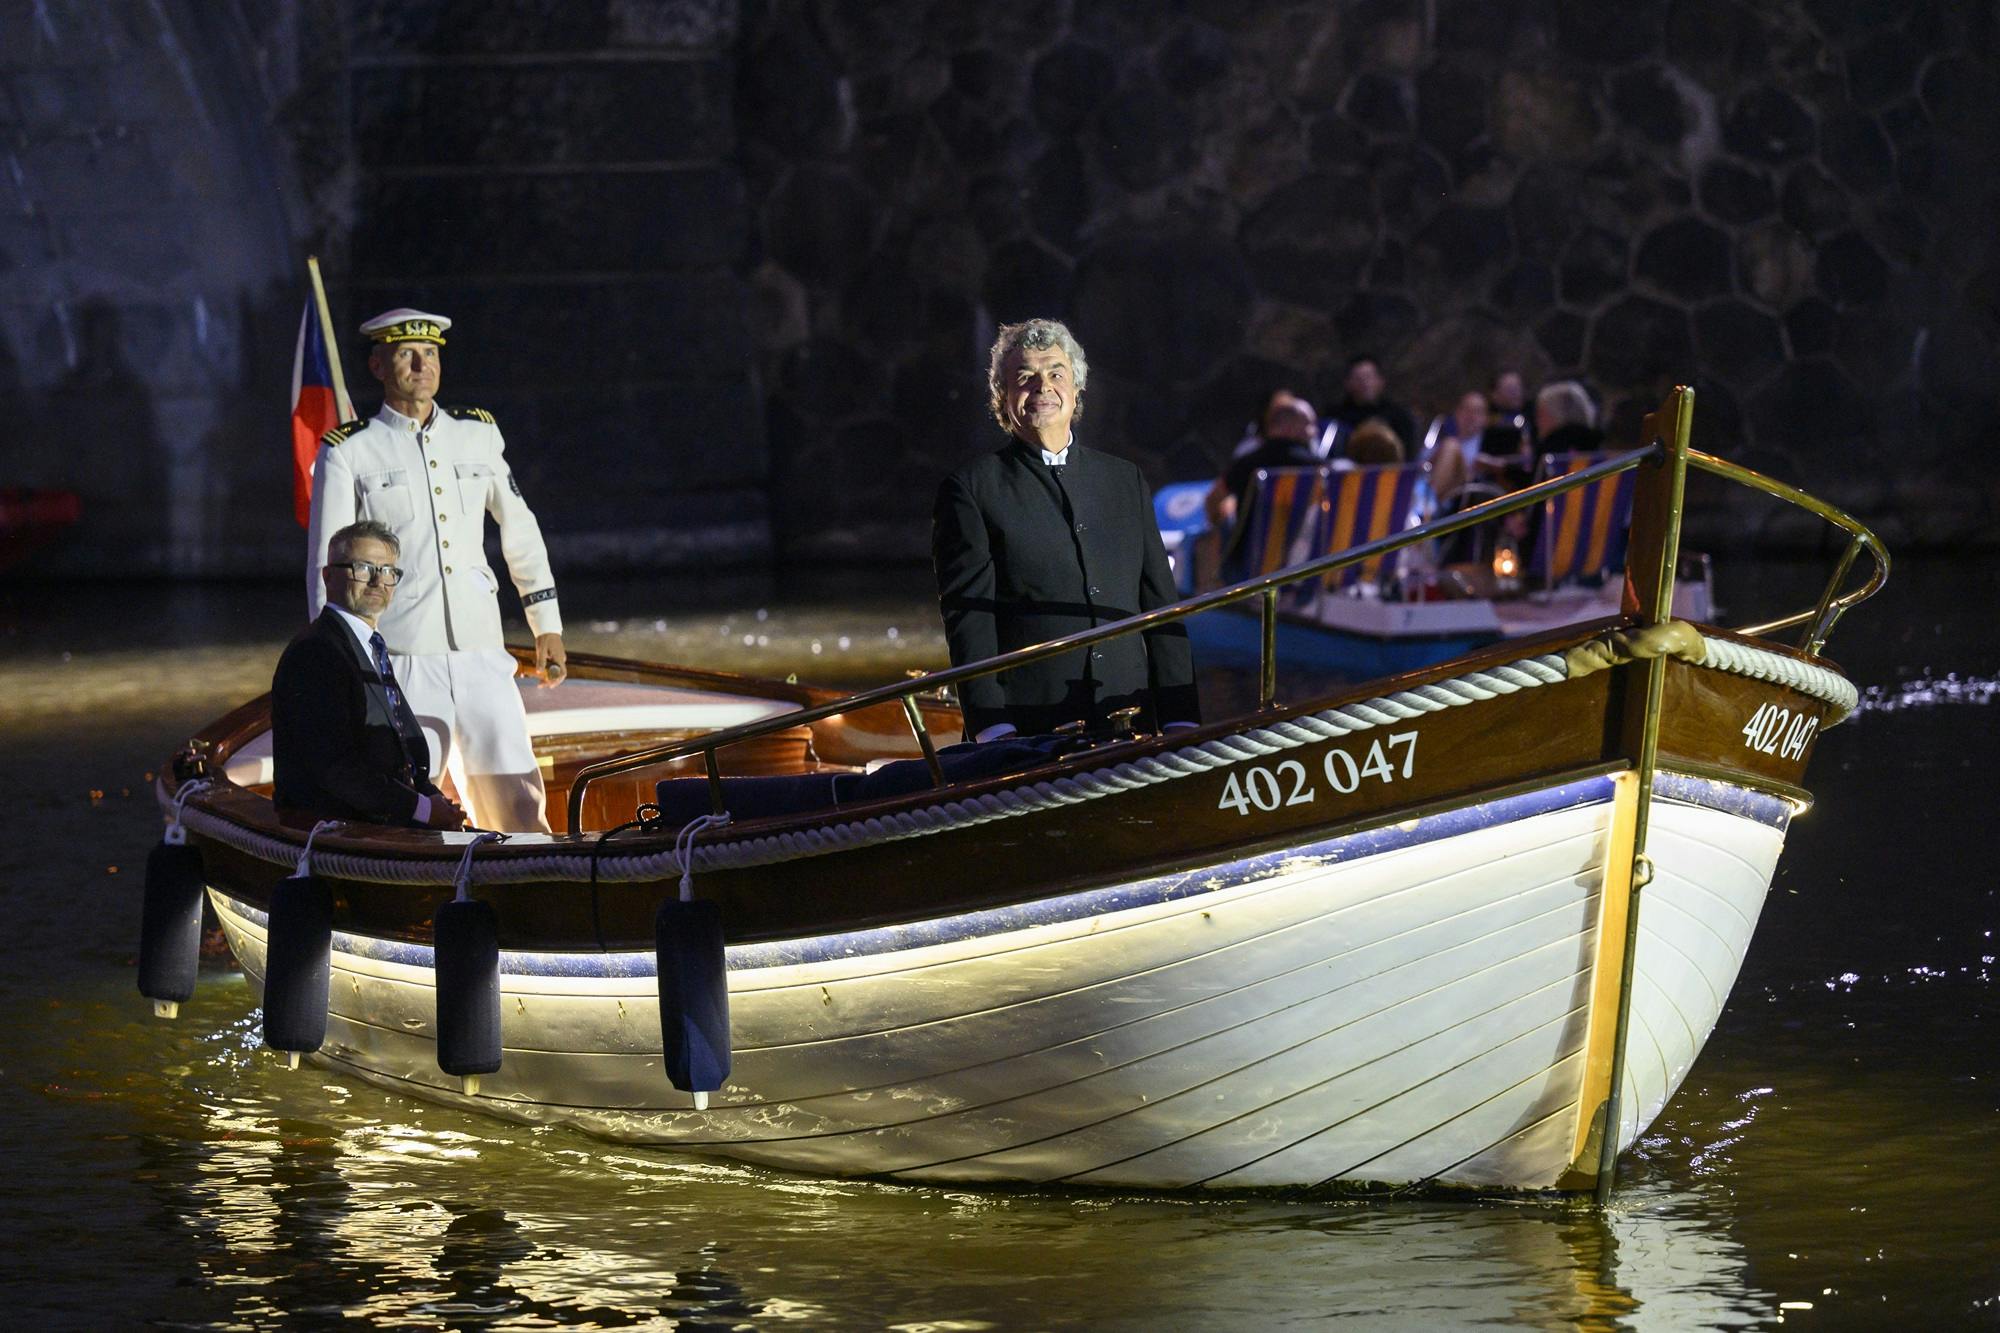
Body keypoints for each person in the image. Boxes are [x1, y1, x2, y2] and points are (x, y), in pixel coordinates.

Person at [306, 308, 563, 834]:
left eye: (431, 354)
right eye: (406, 354)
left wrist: (547, 625)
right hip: (402, 657)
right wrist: (333, 658)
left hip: (481, 650)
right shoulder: (349, 451)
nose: (422, 365)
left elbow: (520, 528)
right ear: (378, 365)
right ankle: (430, 910)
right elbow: (326, 566)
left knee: (516, 796)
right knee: (412, 804)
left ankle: (529, 900)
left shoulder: (478, 435)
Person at [933, 318, 1200, 742]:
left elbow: (1161, 606)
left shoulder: (1125, 480)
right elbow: (969, 622)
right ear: (1002, 398)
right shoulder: (971, 489)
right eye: (1025, 377)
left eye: (1056, 373)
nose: (1042, 387)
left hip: (1130, 720)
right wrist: (994, 730)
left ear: (1076, 391)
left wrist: (1181, 717)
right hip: (1029, 731)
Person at [273, 520, 470, 830]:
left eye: (389, 571)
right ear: (328, 576)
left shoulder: (368, 645)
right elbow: (334, 767)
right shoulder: (316, 652)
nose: (378, 582)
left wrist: (433, 800)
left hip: (384, 820)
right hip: (341, 834)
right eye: (363, 568)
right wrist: (422, 808)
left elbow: (398, 748)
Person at [1205, 390, 1322, 530]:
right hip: (1304, 550)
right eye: (1308, 424)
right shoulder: (1317, 468)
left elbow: (1213, 498)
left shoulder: (1246, 464)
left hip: (1251, 549)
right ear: (1287, 425)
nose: (1314, 432)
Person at [1327, 354, 1419, 456]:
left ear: (1380, 381)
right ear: (1348, 383)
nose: (1365, 383)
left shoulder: (1400, 417)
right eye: (1358, 378)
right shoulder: (1335, 418)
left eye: (1369, 377)